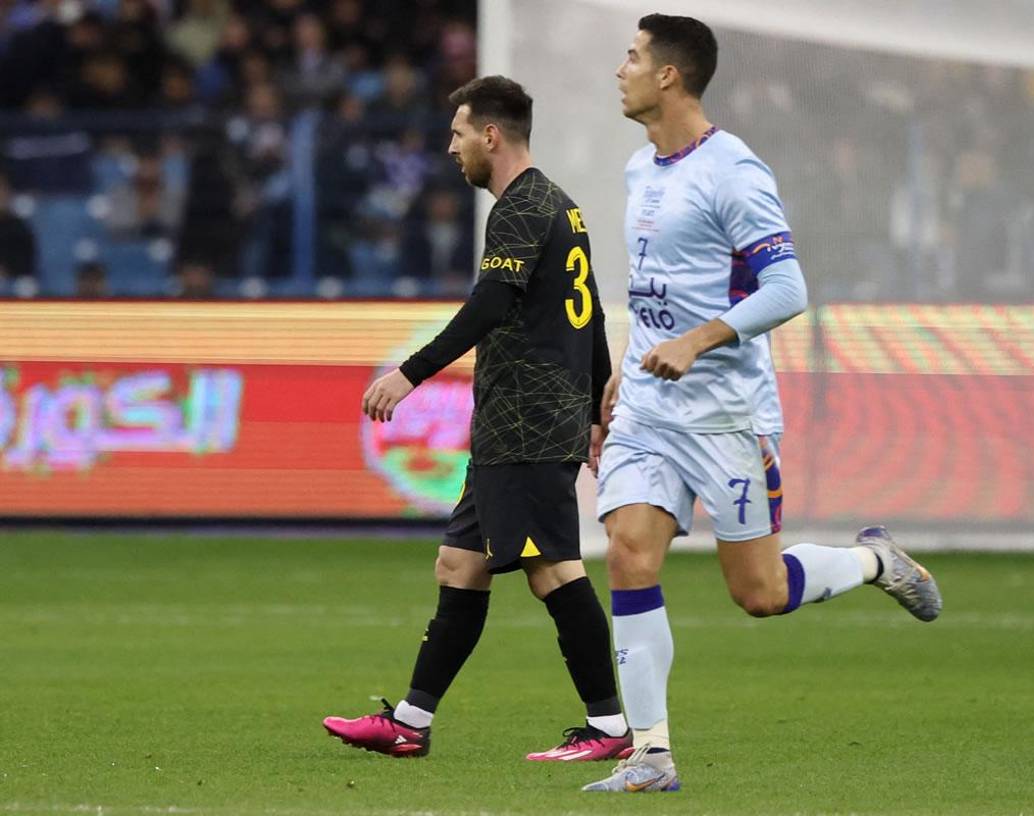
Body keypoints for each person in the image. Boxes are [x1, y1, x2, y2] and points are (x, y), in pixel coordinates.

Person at [583, 15, 943, 793]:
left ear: (670, 76)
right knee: (627, 553)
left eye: (634, 57)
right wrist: (622, 369)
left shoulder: (735, 172)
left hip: (726, 417)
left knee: (759, 593)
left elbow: (788, 289)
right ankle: (651, 756)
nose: (622, 69)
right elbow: (653, 288)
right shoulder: (640, 172)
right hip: (650, 405)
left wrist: (699, 341)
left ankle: (875, 560)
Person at [323, 75, 632, 764]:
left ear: (490, 135)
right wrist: (589, 412)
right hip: (522, 423)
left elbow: (491, 304)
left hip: (524, 423)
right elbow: (590, 313)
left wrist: (410, 372)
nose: (450, 147)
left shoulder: (520, 209)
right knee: (459, 563)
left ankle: (610, 727)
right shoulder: (562, 207)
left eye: (458, 132)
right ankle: (408, 722)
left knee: (554, 570)